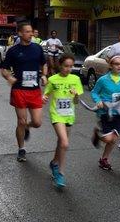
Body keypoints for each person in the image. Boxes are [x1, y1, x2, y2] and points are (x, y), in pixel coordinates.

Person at [0, 23, 47, 162]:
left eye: (31, 31)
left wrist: (44, 75)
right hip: (19, 89)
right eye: (27, 32)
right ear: (20, 33)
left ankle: (28, 126)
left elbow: (43, 63)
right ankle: (21, 149)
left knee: (37, 122)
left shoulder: (37, 48)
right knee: (21, 121)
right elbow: (3, 68)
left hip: (34, 90)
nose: (31, 34)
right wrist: (8, 77)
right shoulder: (13, 51)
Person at [42, 54, 83, 188]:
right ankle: (60, 173)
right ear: (60, 65)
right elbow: (46, 94)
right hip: (57, 115)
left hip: (69, 115)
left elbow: (76, 101)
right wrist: (44, 98)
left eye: (71, 66)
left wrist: (76, 94)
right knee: (65, 143)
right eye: (66, 66)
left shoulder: (75, 79)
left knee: (61, 142)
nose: (68, 69)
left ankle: (54, 162)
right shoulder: (53, 79)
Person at [91, 55, 120, 170]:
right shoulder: (103, 80)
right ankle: (98, 134)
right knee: (109, 139)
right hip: (105, 113)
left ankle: (104, 159)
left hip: (118, 113)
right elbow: (94, 92)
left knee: (114, 139)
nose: (119, 66)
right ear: (110, 65)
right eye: (116, 64)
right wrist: (98, 100)